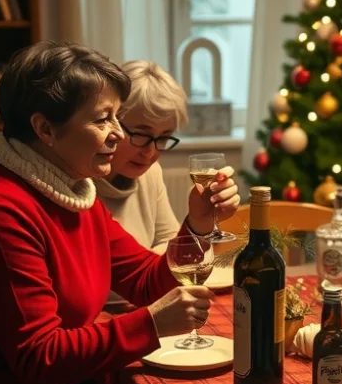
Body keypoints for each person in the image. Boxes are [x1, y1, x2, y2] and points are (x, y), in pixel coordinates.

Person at [0, 41, 217, 384]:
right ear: (45, 129)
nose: (118, 133)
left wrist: (197, 223)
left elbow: (146, 280)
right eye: (103, 119)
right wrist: (151, 323)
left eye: (117, 117)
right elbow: (39, 358)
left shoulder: (70, 187)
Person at [95, 60, 240, 255]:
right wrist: (156, 261)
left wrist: (201, 222)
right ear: (110, 121)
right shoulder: (79, 181)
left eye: (163, 137)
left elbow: (172, 243)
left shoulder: (149, 173)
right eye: (140, 135)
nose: (150, 153)